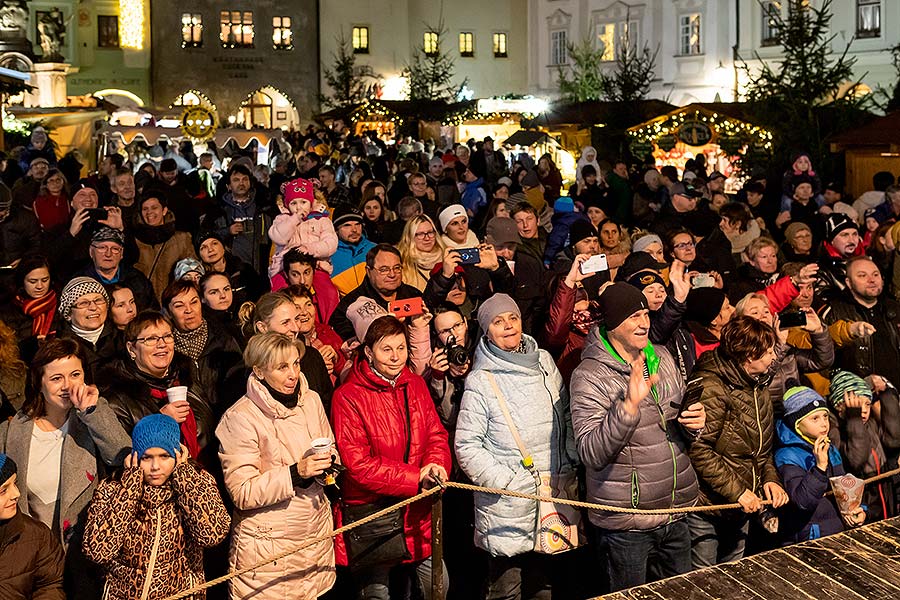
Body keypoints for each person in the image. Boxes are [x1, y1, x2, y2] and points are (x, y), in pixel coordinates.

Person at [569, 283, 704, 591]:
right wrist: (628, 407)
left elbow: (676, 423)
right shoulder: (589, 375)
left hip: (675, 509)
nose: (645, 323)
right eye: (634, 316)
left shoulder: (662, 357)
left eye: (645, 314)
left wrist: (695, 423)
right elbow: (591, 452)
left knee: (680, 595)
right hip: (628, 522)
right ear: (613, 324)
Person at [455, 294, 580, 598]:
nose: (508, 326)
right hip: (507, 502)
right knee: (505, 588)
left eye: (512, 318)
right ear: (487, 331)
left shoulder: (545, 362)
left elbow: (564, 413)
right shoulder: (481, 380)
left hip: (553, 492)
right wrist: (507, 483)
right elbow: (467, 446)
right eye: (498, 322)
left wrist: (569, 458)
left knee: (544, 585)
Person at [331, 315, 451, 599]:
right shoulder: (348, 396)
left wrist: (436, 465)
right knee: (377, 593)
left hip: (418, 509)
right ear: (369, 352)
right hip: (374, 511)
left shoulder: (415, 384)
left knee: (438, 586)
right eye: (387, 349)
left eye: (401, 348)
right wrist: (415, 478)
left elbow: (436, 434)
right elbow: (357, 464)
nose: (396, 356)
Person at [0, 339, 131, 599]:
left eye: (75, 375)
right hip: (29, 561)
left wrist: (92, 411)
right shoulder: (10, 431)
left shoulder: (92, 419)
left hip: (82, 557)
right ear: (39, 382)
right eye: (56, 378)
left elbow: (122, 455)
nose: (67, 386)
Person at [217, 332, 339, 599]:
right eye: (282, 367)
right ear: (259, 371)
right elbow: (242, 491)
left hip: (315, 534)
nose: (293, 374)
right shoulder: (239, 418)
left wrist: (330, 466)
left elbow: (329, 445)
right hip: (268, 548)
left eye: (296, 364)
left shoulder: (312, 400)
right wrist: (296, 473)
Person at [83, 414, 230, 600]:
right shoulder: (112, 489)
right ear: (135, 457)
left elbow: (211, 535)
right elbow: (99, 551)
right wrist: (130, 489)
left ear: (178, 455)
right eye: (146, 457)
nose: (155, 466)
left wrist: (184, 478)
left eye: (164, 456)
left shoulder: (198, 482)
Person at [688, 316, 789, 568]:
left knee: (734, 572)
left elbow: (760, 450)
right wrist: (738, 492)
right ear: (748, 356)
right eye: (766, 353)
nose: (772, 358)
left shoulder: (757, 387)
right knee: (704, 579)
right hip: (709, 507)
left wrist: (770, 480)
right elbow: (699, 450)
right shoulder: (712, 387)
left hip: (742, 506)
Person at [96, 311, 214, 462]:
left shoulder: (188, 378)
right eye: (151, 339)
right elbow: (123, 456)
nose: (162, 344)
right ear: (132, 349)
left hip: (202, 477)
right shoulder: (117, 397)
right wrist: (159, 420)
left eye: (167, 336)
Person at [775, 386, 865, 545]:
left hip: (837, 532)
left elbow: (844, 489)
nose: (824, 424)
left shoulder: (830, 448)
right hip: (808, 541)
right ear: (797, 423)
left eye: (825, 416)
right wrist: (820, 467)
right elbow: (802, 502)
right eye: (814, 418)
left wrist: (858, 510)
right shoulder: (787, 455)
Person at [163, 280, 244, 418]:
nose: (189, 310)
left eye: (194, 302)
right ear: (169, 312)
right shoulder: (165, 350)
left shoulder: (224, 340)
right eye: (179, 306)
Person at [237, 292, 334, 407]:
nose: (295, 328)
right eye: (285, 322)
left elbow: (327, 405)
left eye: (296, 319)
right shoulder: (244, 373)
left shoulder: (312, 356)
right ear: (262, 327)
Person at [827, 370, 900, 522]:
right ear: (840, 406)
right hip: (863, 496)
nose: (865, 409)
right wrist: (854, 419)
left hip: (884, 490)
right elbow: (856, 460)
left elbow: (894, 439)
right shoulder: (836, 432)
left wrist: (887, 395)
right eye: (858, 404)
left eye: (867, 403)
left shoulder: (870, 424)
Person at [0, 453, 66, 599]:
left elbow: (50, 586)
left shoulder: (37, 536)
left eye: (15, 483)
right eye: (3, 490)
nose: (16, 493)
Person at [329, 244, 424, 341]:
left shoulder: (414, 295)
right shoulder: (351, 304)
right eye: (384, 270)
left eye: (397, 268)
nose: (392, 274)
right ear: (368, 271)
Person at [267, 176, 337, 287]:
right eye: (293, 203)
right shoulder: (282, 219)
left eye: (303, 202)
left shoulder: (321, 219)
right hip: (284, 266)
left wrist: (310, 249)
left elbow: (331, 243)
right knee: (278, 291)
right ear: (286, 204)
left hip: (316, 265)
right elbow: (278, 237)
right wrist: (294, 219)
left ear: (311, 202)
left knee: (328, 293)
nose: (299, 207)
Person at [56, 276, 120, 379]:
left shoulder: (122, 339)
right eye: (84, 303)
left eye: (98, 300)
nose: (93, 307)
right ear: (68, 314)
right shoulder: (59, 347)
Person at [80, 226, 157, 310]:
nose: (108, 254)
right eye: (102, 248)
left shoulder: (138, 280)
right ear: (91, 251)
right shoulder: (80, 284)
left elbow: (152, 314)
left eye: (115, 249)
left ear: (121, 253)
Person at [0, 255, 57, 361]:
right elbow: (6, 349)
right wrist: (29, 345)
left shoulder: (59, 305)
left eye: (45, 280)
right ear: (22, 281)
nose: (40, 286)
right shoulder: (7, 311)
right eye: (33, 281)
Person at [285, 284, 346, 380]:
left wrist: (336, 359)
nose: (304, 312)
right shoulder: (285, 344)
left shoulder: (326, 331)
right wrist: (317, 368)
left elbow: (349, 371)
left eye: (308, 305)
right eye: (297, 307)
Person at [195, 231, 263, 310]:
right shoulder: (200, 278)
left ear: (223, 248)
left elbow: (260, 296)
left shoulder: (244, 270)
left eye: (214, 243)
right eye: (203, 247)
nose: (210, 249)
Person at [280, 248, 340, 323]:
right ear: (286, 275)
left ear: (314, 271)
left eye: (306, 273)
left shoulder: (326, 296)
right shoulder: (282, 302)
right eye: (295, 274)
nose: (302, 281)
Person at [331, 206, 377, 296]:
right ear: (336, 230)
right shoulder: (328, 255)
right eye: (347, 225)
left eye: (357, 224)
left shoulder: (375, 249)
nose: (354, 230)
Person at [398, 215, 445, 291]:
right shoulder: (403, 264)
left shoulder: (446, 257)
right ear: (410, 237)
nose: (427, 238)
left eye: (430, 232)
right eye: (420, 234)